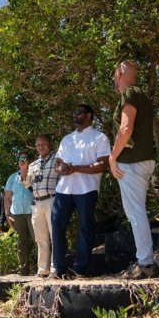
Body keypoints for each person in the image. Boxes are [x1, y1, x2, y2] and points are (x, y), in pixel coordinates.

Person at [109, 61, 159, 279]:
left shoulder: (130, 92)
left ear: (120, 73)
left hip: (131, 161)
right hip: (145, 160)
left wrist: (112, 157)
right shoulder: (141, 95)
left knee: (135, 212)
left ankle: (146, 263)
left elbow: (126, 127)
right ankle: (146, 260)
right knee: (137, 211)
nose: (113, 79)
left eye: (114, 74)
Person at [50, 104, 110, 279]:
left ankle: (80, 269)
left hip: (87, 188)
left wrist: (77, 169)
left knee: (85, 228)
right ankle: (59, 269)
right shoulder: (67, 139)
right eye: (74, 112)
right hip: (64, 189)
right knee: (57, 225)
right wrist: (62, 169)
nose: (75, 116)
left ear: (89, 115)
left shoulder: (99, 137)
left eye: (79, 113)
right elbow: (57, 163)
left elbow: (102, 165)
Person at [22, 134, 59, 278]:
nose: (40, 147)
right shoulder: (33, 164)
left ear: (50, 145)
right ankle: (43, 270)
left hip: (52, 199)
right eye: (38, 145)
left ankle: (56, 268)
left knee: (55, 235)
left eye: (43, 144)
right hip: (37, 203)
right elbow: (26, 183)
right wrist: (24, 170)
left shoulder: (57, 158)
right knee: (40, 238)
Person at [4, 151, 35, 276]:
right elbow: (7, 197)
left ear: (29, 161)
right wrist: (7, 215)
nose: (22, 161)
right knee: (21, 244)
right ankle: (24, 272)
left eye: (25, 158)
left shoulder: (34, 175)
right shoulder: (12, 178)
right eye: (20, 158)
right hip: (17, 214)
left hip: (33, 212)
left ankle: (42, 270)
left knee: (38, 240)